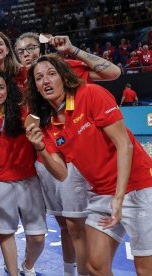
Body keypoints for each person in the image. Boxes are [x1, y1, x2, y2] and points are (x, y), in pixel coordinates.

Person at [26, 54, 152, 276]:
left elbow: (125, 145)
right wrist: (40, 148)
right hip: (102, 194)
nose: (45, 81)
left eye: (51, 74)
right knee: (94, 266)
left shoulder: (90, 94)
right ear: (35, 87)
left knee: (145, 269)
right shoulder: (48, 124)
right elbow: (62, 173)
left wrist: (119, 198)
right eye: (39, 78)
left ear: (64, 77)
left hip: (137, 188)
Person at [14, 32, 121, 276]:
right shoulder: (17, 83)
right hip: (46, 161)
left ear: (40, 49)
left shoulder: (60, 69)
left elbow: (113, 73)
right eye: (21, 51)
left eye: (31, 48)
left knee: (78, 225)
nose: (27, 54)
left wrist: (72, 50)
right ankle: (69, 272)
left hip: (74, 157)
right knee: (65, 225)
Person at [0, 72, 46, 276]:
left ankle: (28, 265)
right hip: (0, 182)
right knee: (6, 233)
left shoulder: (24, 113)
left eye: (1, 87)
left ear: (8, 89)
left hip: (28, 180)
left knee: (38, 237)